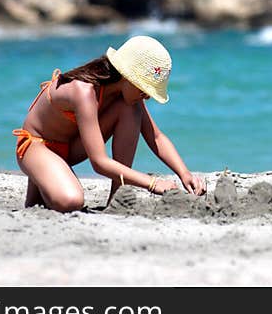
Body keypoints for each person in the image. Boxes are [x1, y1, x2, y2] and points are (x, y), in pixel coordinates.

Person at [13, 35, 206, 211]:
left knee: (130, 109)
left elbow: (155, 136)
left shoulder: (128, 97)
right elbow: (99, 162)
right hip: (37, 146)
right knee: (71, 201)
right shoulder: (83, 91)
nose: (146, 96)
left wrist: (184, 173)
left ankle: (117, 198)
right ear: (126, 76)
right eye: (144, 89)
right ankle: (42, 180)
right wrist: (152, 183)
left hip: (69, 147)